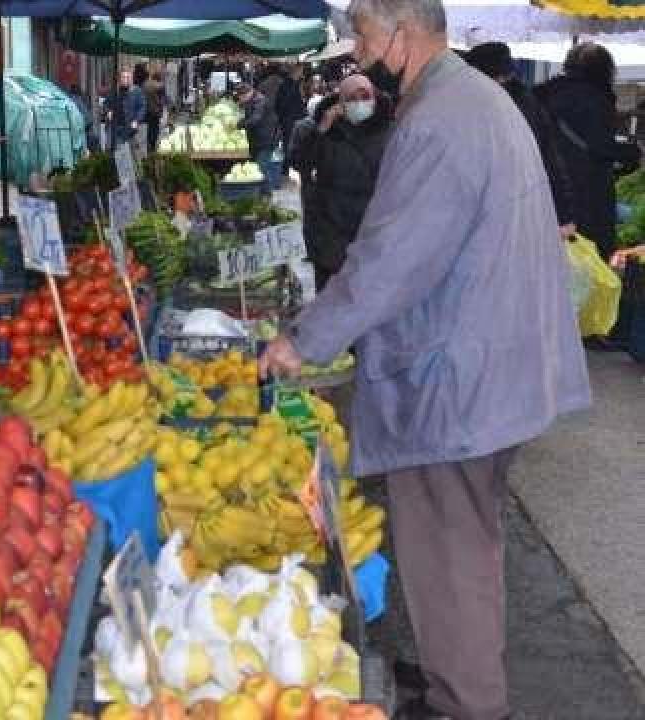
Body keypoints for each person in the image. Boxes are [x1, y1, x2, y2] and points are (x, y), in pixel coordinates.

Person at [258, 1, 591, 718]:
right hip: (489, 363)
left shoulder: (440, 119)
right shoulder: (473, 98)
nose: (358, 51)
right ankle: (456, 676)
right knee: (465, 540)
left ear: (402, 36)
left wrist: (303, 339)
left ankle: (469, 702)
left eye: (366, 35)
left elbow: (388, 259)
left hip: (461, 375)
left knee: (450, 545)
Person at [536, 43, 642, 260]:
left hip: (550, 188)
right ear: (604, 69)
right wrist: (632, 152)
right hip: (588, 193)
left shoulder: (544, 95)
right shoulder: (595, 99)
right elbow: (601, 146)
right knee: (590, 257)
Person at [289, 73, 394, 290]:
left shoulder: (391, 133)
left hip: (373, 232)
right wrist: (322, 129)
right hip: (332, 235)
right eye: (351, 98)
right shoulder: (327, 132)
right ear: (340, 103)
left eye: (364, 96)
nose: (359, 102)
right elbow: (300, 163)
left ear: (374, 98)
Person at [465, 42, 577, 241]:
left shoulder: (505, 106)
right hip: (518, 208)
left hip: (502, 210)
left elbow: (547, 159)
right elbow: (550, 159)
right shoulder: (527, 101)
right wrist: (564, 213)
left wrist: (564, 214)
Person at [235, 82, 281, 190]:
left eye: (240, 97)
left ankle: (267, 195)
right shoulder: (253, 100)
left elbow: (255, 119)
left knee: (262, 168)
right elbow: (249, 117)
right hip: (259, 140)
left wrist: (240, 125)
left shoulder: (259, 101)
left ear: (246, 94)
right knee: (259, 168)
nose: (239, 101)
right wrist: (240, 122)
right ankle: (261, 195)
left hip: (267, 140)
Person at [107, 70, 146, 155]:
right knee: (118, 153)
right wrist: (109, 111)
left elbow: (142, 107)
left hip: (131, 128)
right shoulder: (114, 91)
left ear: (131, 79)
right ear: (119, 79)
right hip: (117, 127)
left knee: (133, 153)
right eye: (123, 77)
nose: (125, 79)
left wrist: (137, 120)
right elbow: (108, 103)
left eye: (128, 77)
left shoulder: (136, 91)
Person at [144, 70, 168, 154]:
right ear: (159, 78)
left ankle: (148, 145)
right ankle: (153, 146)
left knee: (149, 128)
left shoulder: (146, 85)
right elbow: (163, 100)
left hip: (147, 110)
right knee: (155, 128)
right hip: (156, 111)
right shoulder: (160, 86)